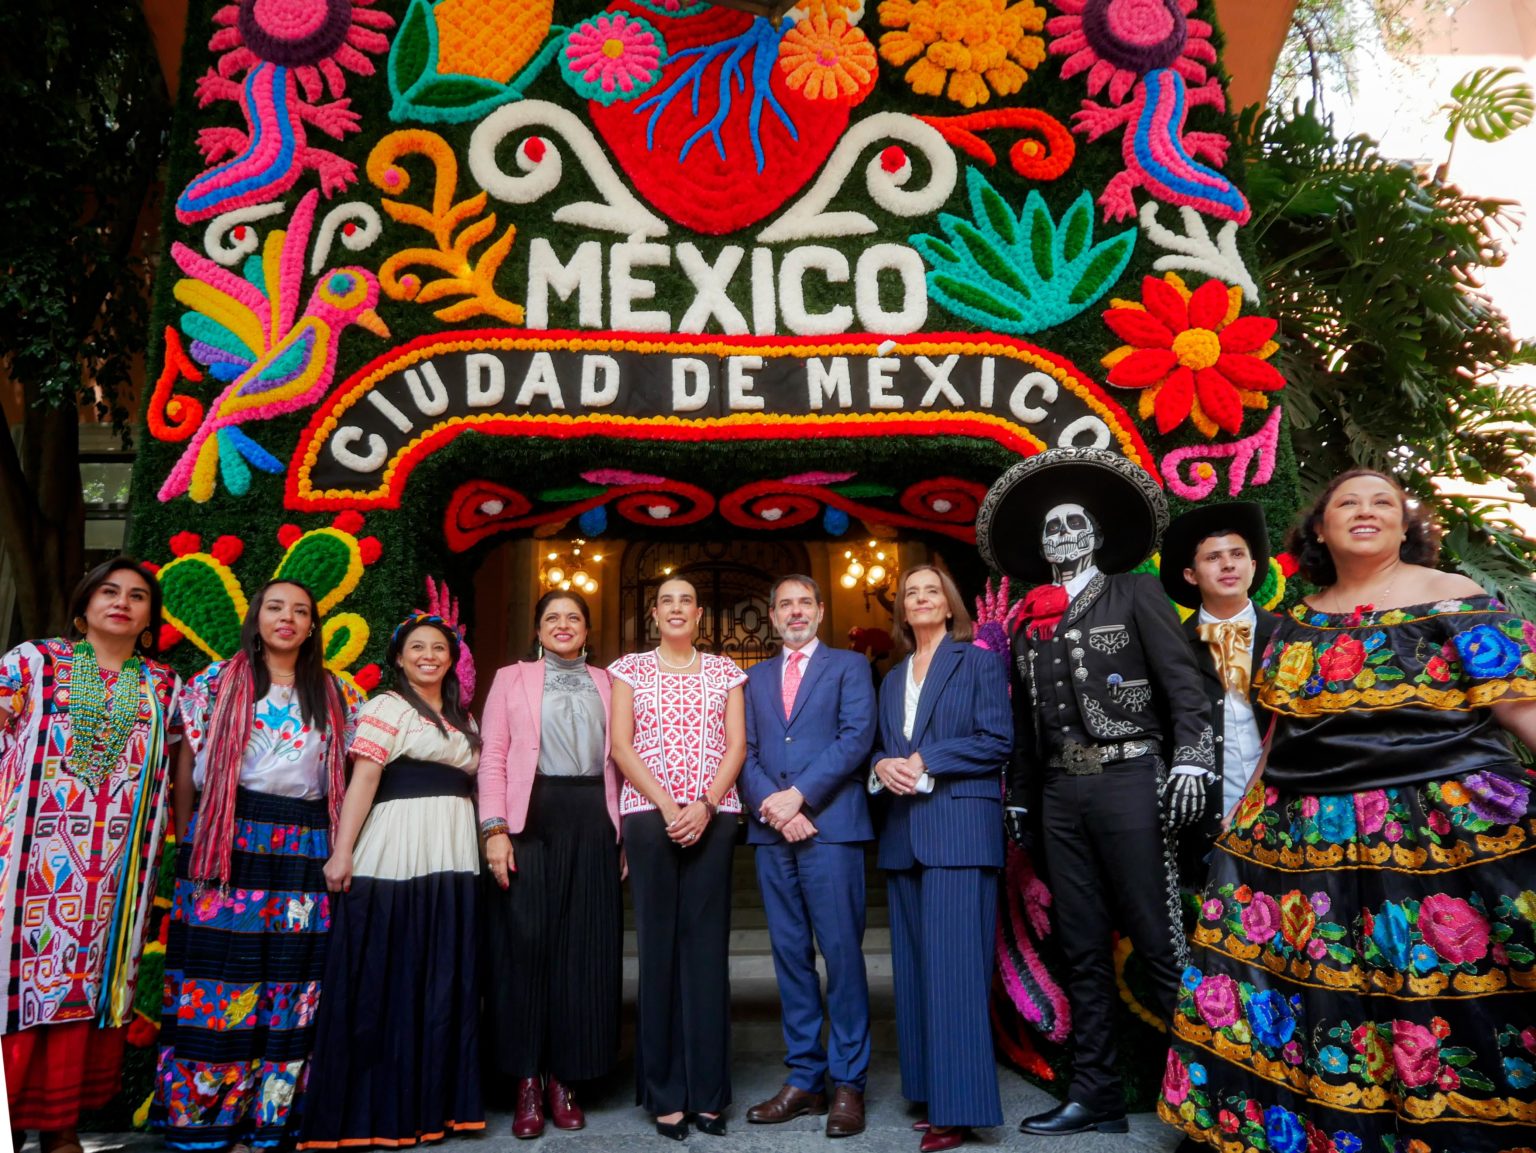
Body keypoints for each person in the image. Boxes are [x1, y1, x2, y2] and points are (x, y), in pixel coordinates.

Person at [1159, 469, 1536, 1153]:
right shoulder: (1298, 620)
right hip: (1310, 841)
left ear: (1404, 524)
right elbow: (1281, 734)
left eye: (1383, 501)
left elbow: (1522, 708)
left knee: (1445, 994)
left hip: (1434, 838)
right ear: (1321, 528)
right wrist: (1241, 828)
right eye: (1347, 502)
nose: (1366, 509)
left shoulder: (1457, 596)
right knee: (1331, 1003)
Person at [974, 447, 1213, 1137]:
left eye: (1074, 524)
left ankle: (1215, 1103)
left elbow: (1183, 685)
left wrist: (1191, 759)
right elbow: (1027, 721)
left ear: (1096, 535)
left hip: (1129, 779)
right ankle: (1097, 1095)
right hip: (1059, 794)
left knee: (1159, 942)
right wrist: (1020, 796)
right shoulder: (1028, 617)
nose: (1062, 535)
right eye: (1052, 528)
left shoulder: (1134, 592)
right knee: (1081, 949)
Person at [154, 579, 359, 1152]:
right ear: (256, 617)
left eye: (300, 611)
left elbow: (352, 776)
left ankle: (274, 1121)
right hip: (225, 842)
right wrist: (191, 841)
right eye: (275, 607)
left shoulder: (339, 692)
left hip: (306, 844)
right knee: (220, 979)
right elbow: (186, 769)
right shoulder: (212, 684)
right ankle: (207, 1122)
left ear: (313, 626)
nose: (287, 618)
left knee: (293, 981)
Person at [1, 558, 181, 1153]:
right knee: (13, 983)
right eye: (109, 591)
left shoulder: (162, 685)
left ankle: (60, 1126)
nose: (122, 602)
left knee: (84, 986)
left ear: (150, 619)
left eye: (137, 596)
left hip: (111, 880)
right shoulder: (35, 662)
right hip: (25, 868)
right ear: (83, 607)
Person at [299, 613, 483, 1149]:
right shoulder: (386, 707)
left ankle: (434, 1109)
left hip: (453, 851)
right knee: (392, 973)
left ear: (452, 660)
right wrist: (342, 852)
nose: (429, 656)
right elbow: (364, 780)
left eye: (439, 648)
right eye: (417, 647)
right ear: (399, 658)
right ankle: (377, 1114)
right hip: (398, 849)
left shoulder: (462, 717)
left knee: (440, 975)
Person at [868, 563, 1012, 1153]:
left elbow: (997, 741)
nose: (921, 599)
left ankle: (961, 1109)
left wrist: (928, 759)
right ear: (902, 609)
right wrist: (882, 764)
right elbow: (884, 747)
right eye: (911, 593)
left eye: (932, 591)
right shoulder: (891, 677)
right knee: (917, 974)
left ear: (950, 605)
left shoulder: (976, 662)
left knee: (955, 973)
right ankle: (931, 1094)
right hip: (904, 836)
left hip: (959, 831)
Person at [478, 591, 623, 1139]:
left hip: (593, 818)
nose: (563, 625)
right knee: (525, 949)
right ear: (537, 630)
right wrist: (494, 829)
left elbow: (624, 759)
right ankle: (526, 1082)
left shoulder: (611, 682)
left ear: (587, 629)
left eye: (573, 617)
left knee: (583, 951)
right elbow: (492, 756)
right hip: (529, 819)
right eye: (552, 618)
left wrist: (622, 835)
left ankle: (566, 1078)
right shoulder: (510, 678)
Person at [609, 577, 747, 1141]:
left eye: (685, 600)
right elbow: (621, 745)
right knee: (659, 949)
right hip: (649, 815)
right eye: (666, 600)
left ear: (698, 614)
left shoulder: (725, 671)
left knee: (707, 951)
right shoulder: (629, 669)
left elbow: (736, 745)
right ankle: (665, 1092)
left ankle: (709, 1092)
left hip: (714, 814)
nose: (676, 608)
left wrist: (705, 804)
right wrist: (668, 805)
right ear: (654, 613)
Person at [741, 575, 877, 1137]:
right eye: (785, 605)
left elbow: (857, 737)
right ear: (772, 616)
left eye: (804, 603)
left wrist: (799, 796)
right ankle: (804, 1079)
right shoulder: (752, 678)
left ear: (820, 611)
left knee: (841, 956)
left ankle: (848, 1082)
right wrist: (777, 810)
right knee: (790, 957)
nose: (795, 612)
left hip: (832, 829)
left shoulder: (850, 667)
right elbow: (743, 752)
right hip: (773, 833)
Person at [1159, 501, 1279, 885]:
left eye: (1237, 555)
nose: (1228, 565)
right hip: (1205, 819)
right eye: (1213, 557)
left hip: (1283, 808)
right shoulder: (1170, 649)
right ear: (1191, 575)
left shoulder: (1289, 636)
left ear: (1254, 566)